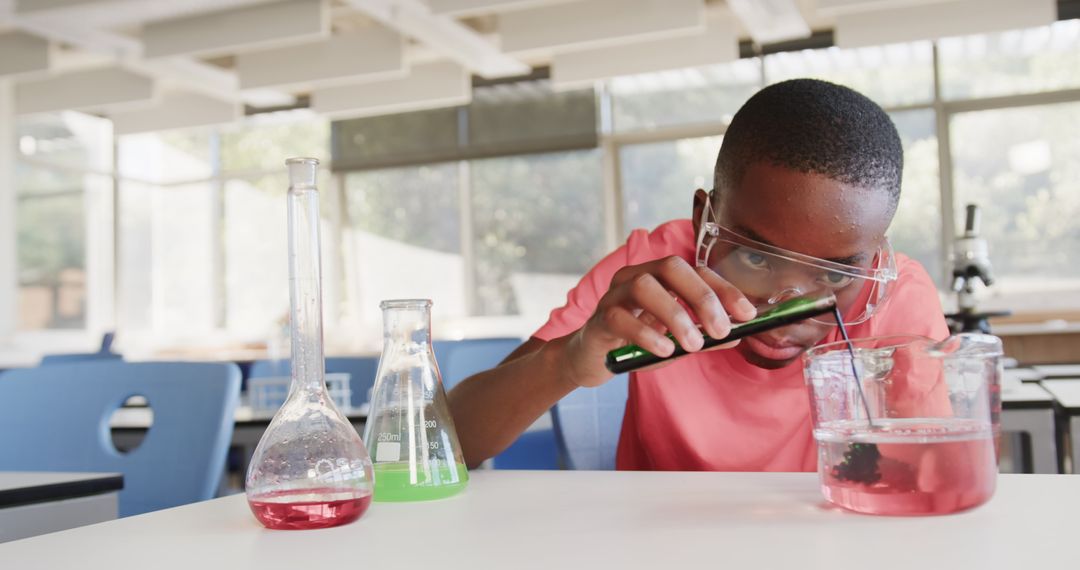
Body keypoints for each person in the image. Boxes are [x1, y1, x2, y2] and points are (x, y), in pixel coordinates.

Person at [447, 78, 948, 471]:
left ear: (875, 255)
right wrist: (568, 363)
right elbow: (440, 445)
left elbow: (943, 477)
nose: (781, 311)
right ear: (703, 219)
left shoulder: (900, 299)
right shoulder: (647, 274)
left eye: (834, 276)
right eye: (757, 258)